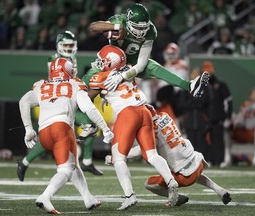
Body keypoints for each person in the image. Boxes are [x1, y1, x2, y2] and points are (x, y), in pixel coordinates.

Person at [88, 45, 180, 210]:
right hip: (144, 110)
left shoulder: (100, 77)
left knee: (118, 158)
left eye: (103, 61)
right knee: (151, 155)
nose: (99, 63)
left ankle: (129, 195)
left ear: (110, 63)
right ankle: (171, 181)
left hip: (127, 114)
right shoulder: (129, 69)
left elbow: (87, 98)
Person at [18, 57, 114, 214]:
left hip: (44, 133)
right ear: (68, 70)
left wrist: (28, 129)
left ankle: (88, 199)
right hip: (61, 128)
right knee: (65, 171)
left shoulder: (41, 85)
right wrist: (105, 129)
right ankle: (45, 196)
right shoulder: (74, 83)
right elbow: (89, 108)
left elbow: (24, 101)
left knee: (73, 164)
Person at [17, 31, 103, 181]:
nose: (69, 48)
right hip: (57, 102)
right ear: (59, 46)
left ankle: (86, 161)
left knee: (90, 125)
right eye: (66, 45)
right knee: (52, 137)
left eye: (71, 45)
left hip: (69, 100)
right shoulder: (54, 59)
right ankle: (25, 162)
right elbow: (58, 82)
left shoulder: (72, 58)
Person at [106, 104, 232, 205]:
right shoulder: (165, 115)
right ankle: (220, 190)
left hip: (184, 175)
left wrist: (116, 157)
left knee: (149, 183)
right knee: (192, 171)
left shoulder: (151, 131)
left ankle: (176, 198)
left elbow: (139, 151)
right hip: (197, 162)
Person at [87, 3, 209, 98]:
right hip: (113, 60)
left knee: (156, 68)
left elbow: (141, 64)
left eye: (143, 28)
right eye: (136, 28)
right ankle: (78, 95)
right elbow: (94, 27)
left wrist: (122, 76)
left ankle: (189, 86)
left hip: (134, 61)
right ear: (128, 22)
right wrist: (116, 27)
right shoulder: (120, 21)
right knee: (93, 79)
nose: (140, 32)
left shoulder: (151, 31)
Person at [203, 61, 233, 167]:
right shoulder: (202, 85)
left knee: (218, 140)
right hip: (205, 118)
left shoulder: (220, 84)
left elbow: (228, 101)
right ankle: (209, 160)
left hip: (218, 118)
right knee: (207, 141)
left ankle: (220, 161)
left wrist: (228, 117)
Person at [232, 87, 255, 166]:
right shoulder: (246, 105)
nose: (253, 96)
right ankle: (226, 158)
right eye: (252, 94)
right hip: (247, 132)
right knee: (226, 129)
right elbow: (239, 121)